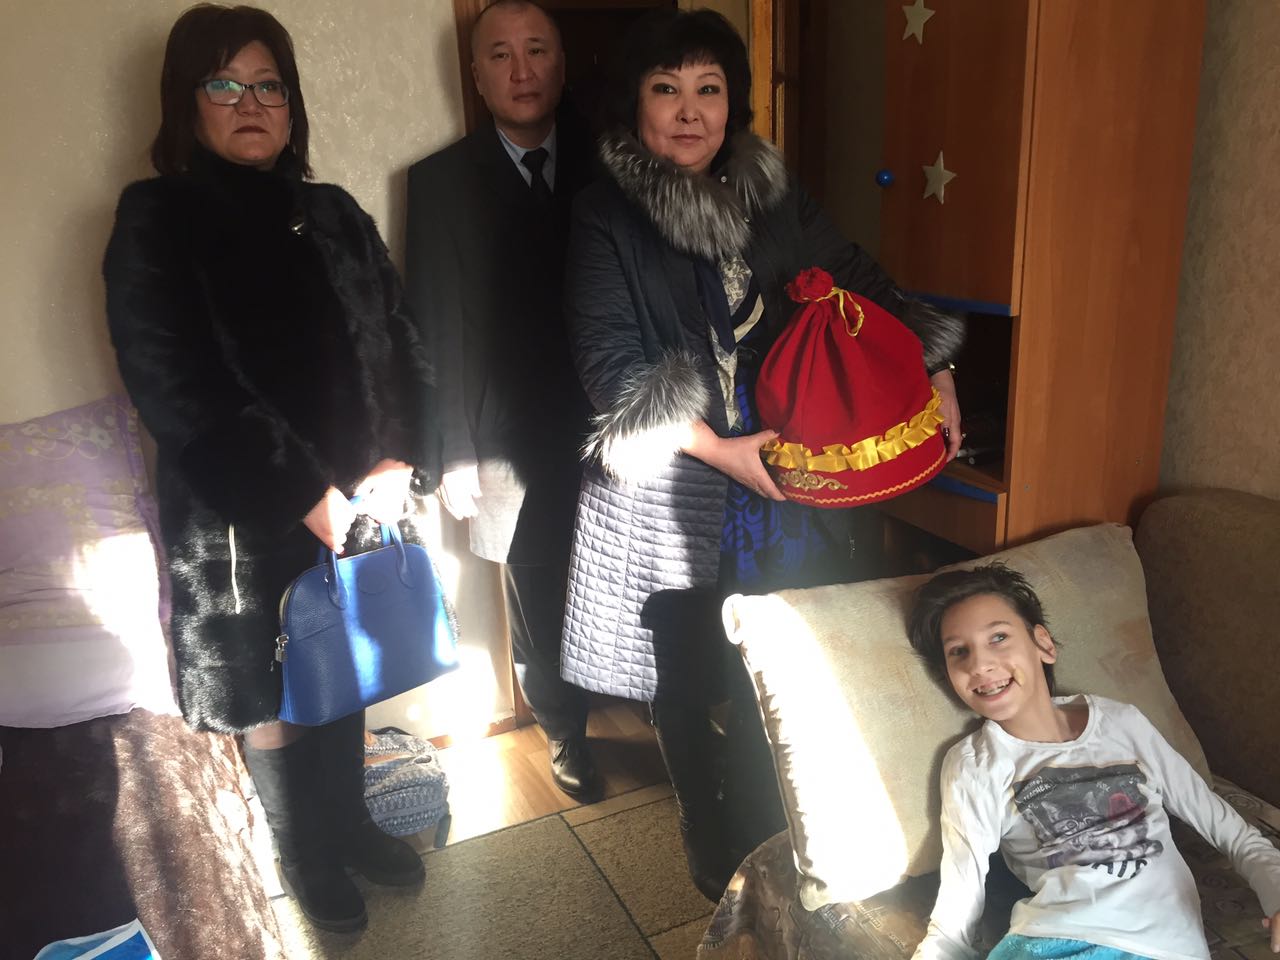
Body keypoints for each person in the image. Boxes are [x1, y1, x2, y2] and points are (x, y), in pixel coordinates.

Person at [558, 8, 965, 901]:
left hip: (786, 466)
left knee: (779, 654)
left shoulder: (768, 192)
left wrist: (933, 366)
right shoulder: (603, 213)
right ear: (634, 105)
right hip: (677, 472)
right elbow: (610, 364)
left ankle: (764, 816)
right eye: (666, 88)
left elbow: (861, 281)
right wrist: (717, 448)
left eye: (709, 88)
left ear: (733, 102)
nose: (689, 110)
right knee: (684, 664)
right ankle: (704, 824)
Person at [102, 4, 439, 934]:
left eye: (269, 86)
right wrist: (302, 495)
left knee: (348, 664)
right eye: (225, 84)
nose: (250, 103)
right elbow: (176, 387)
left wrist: (401, 456)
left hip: (362, 497)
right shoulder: (156, 218)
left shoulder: (332, 213)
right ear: (188, 101)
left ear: (291, 105)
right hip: (242, 515)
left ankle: (352, 822)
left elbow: (401, 338)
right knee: (277, 688)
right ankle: (307, 853)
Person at [404, 0, 600, 800]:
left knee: (629, 573)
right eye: (500, 55)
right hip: (501, 430)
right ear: (477, 75)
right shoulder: (439, 181)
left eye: (537, 50)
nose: (521, 71)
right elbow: (432, 322)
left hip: (608, 418)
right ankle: (566, 732)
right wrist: (448, 449)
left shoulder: (613, 161)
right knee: (538, 589)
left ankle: (659, 709)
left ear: (562, 62)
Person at [906, 564, 1280, 959]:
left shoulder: (1122, 723)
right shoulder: (974, 764)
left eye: (998, 637)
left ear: (1043, 645)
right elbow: (957, 909)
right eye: (958, 652)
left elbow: (1235, 836)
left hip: (1165, 947)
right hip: (1046, 942)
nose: (979, 665)